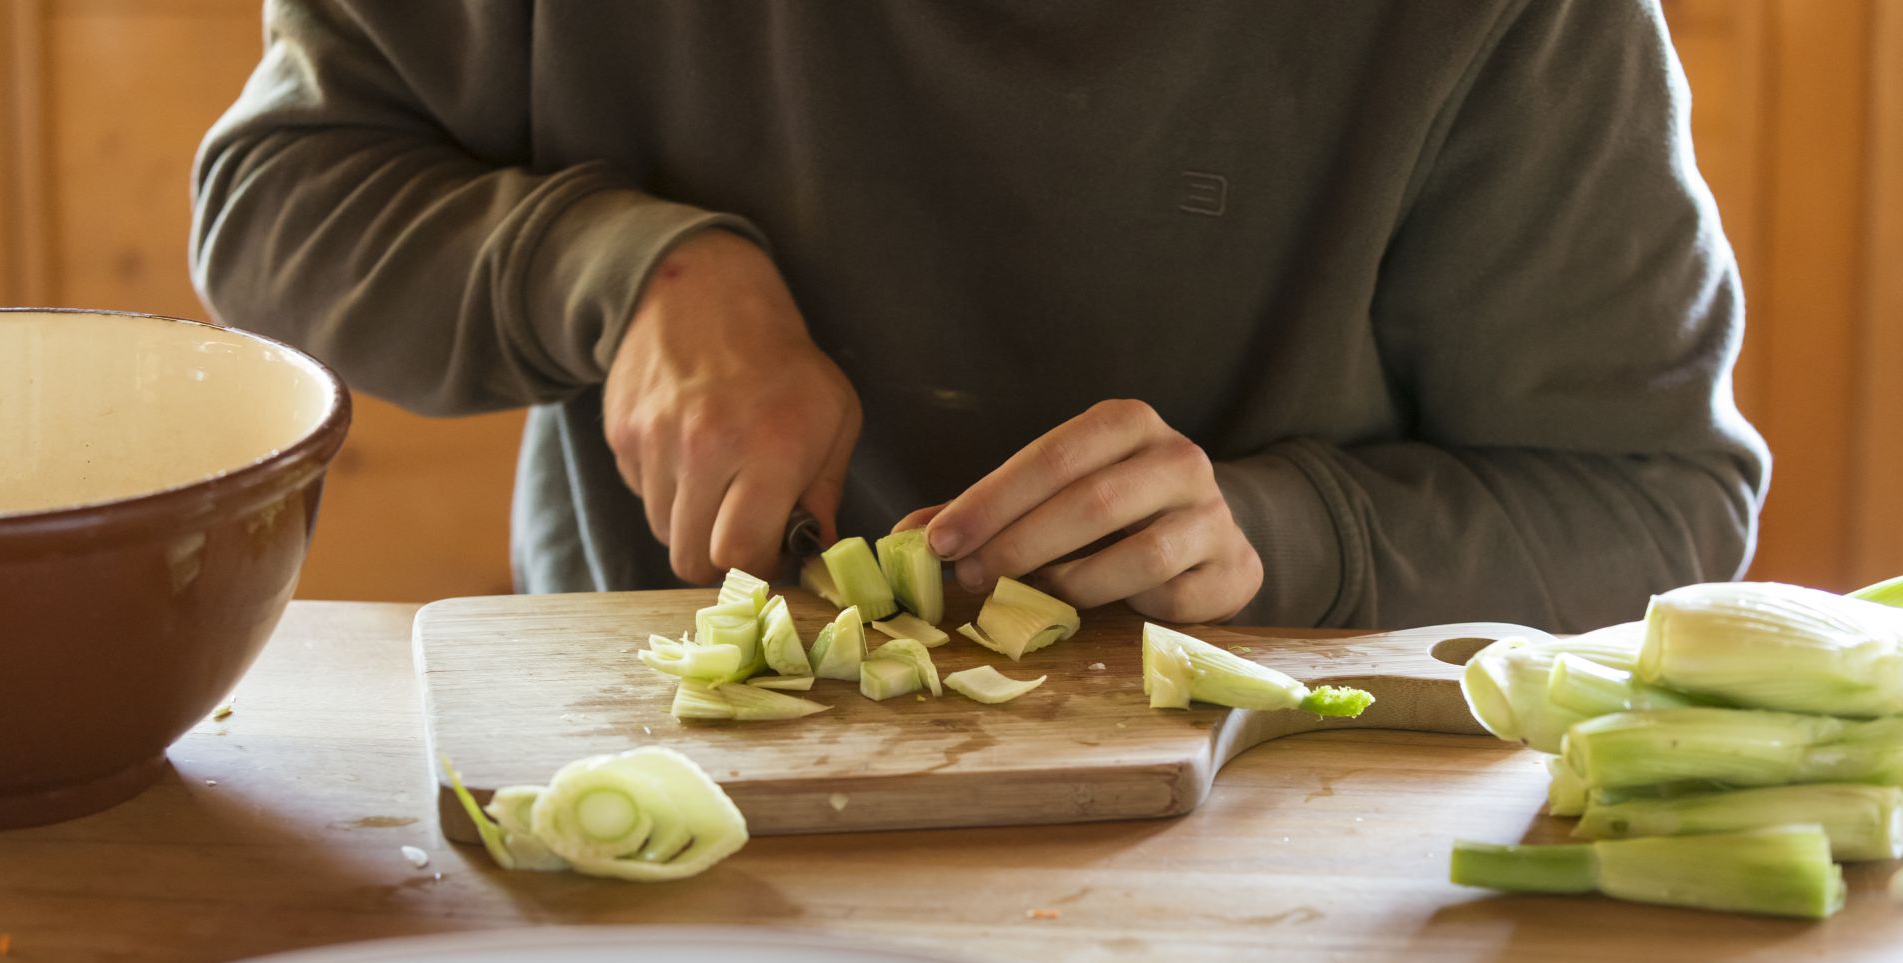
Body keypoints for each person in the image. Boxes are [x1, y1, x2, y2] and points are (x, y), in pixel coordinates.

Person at [192, 0, 1767, 630]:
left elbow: (1655, 498)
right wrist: (625, 274)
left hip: (1284, 830)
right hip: (672, 780)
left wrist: (1277, 539)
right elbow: (275, 201)